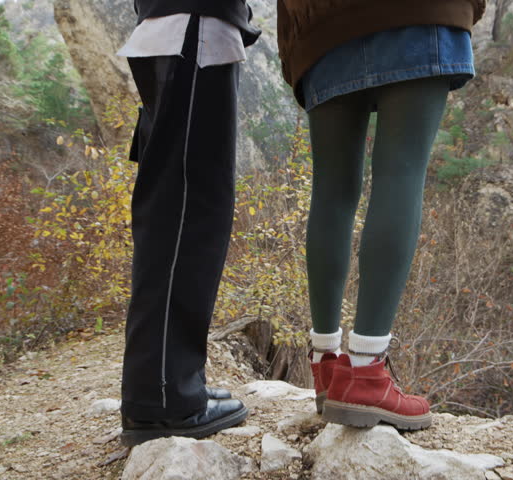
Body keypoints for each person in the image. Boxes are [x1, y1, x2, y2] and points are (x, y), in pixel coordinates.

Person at [277, 0, 485, 429]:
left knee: (331, 191)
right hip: (417, 16)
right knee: (400, 174)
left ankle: (327, 366)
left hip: (321, 30)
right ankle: (368, 372)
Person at [116, 1, 260, 447]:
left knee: (180, 208)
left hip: (182, 30)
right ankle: (164, 398)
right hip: (194, 34)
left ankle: (170, 382)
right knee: (187, 212)